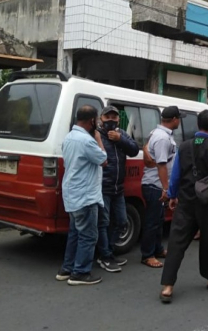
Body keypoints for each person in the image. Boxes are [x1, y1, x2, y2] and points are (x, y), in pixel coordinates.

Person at [159, 110, 208, 303]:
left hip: (186, 201)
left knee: (176, 243)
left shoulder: (184, 146)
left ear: (198, 125)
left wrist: (172, 195)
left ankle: (167, 286)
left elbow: (175, 175)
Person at [57, 105, 107, 286]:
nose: (99, 123)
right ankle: (80, 273)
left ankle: (67, 269)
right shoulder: (87, 141)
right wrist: (99, 139)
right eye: (98, 119)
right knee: (88, 235)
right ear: (91, 121)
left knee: (75, 234)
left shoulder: (69, 137)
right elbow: (103, 160)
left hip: (72, 194)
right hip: (85, 196)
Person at [96, 106, 140, 273]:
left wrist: (120, 139)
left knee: (122, 221)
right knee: (104, 222)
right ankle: (105, 256)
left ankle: (110, 251)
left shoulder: (120, 133)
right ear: (101, 118)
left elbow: (134, 149)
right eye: (108, 117)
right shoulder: (97, 135)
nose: (112, 120)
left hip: (118, 188)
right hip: (102, 187)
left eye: (114, 117)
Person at [141, 106, 182, 269]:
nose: (179, 121)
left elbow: (147, 150)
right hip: (155, 185)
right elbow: (161, 165)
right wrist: (166, 189)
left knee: (158, 220)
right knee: (152, 221)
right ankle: (147, 255)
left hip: (156, 185)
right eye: (179, 118)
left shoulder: (157, 134)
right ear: (173, 119)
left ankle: (157, 249)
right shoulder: (163, 138)